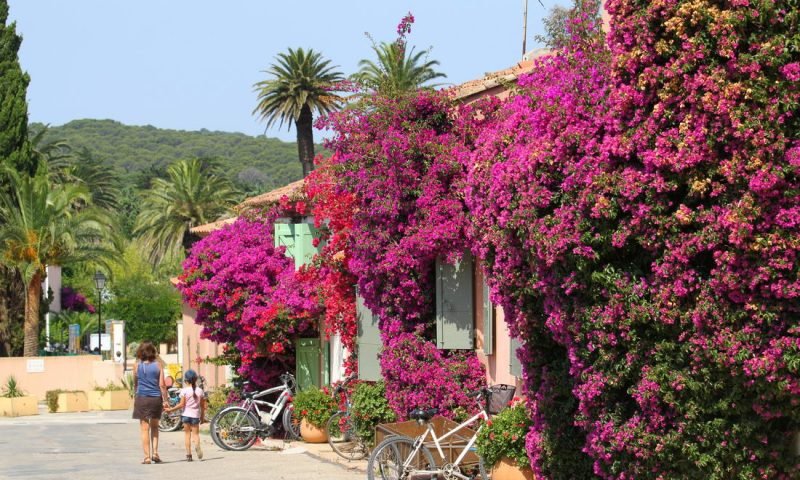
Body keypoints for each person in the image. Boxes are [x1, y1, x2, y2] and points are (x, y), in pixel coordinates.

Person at [132, 341, 168, 464]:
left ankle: (147, 457)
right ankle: (155, 453)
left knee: (144, 429)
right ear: (153, 352)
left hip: (141, 398)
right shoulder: (158, 365)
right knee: (155, 427)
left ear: (140, 352)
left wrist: (135, 396)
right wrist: (166, 400)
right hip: (155, 399)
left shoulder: (136, 365)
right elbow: (162, 385)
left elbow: (135, 384)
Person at [164, 369, 205, 461]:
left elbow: (181, 404)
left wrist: (171, 409)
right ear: (195, 380)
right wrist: (202, 417)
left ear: (186, 381)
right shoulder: (200, 391)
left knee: (187, 435)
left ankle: (189, 455)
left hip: (186, 415)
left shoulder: (184, 391)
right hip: (195, 416)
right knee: (196, 435)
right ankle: (197, 446)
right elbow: (202, 406)